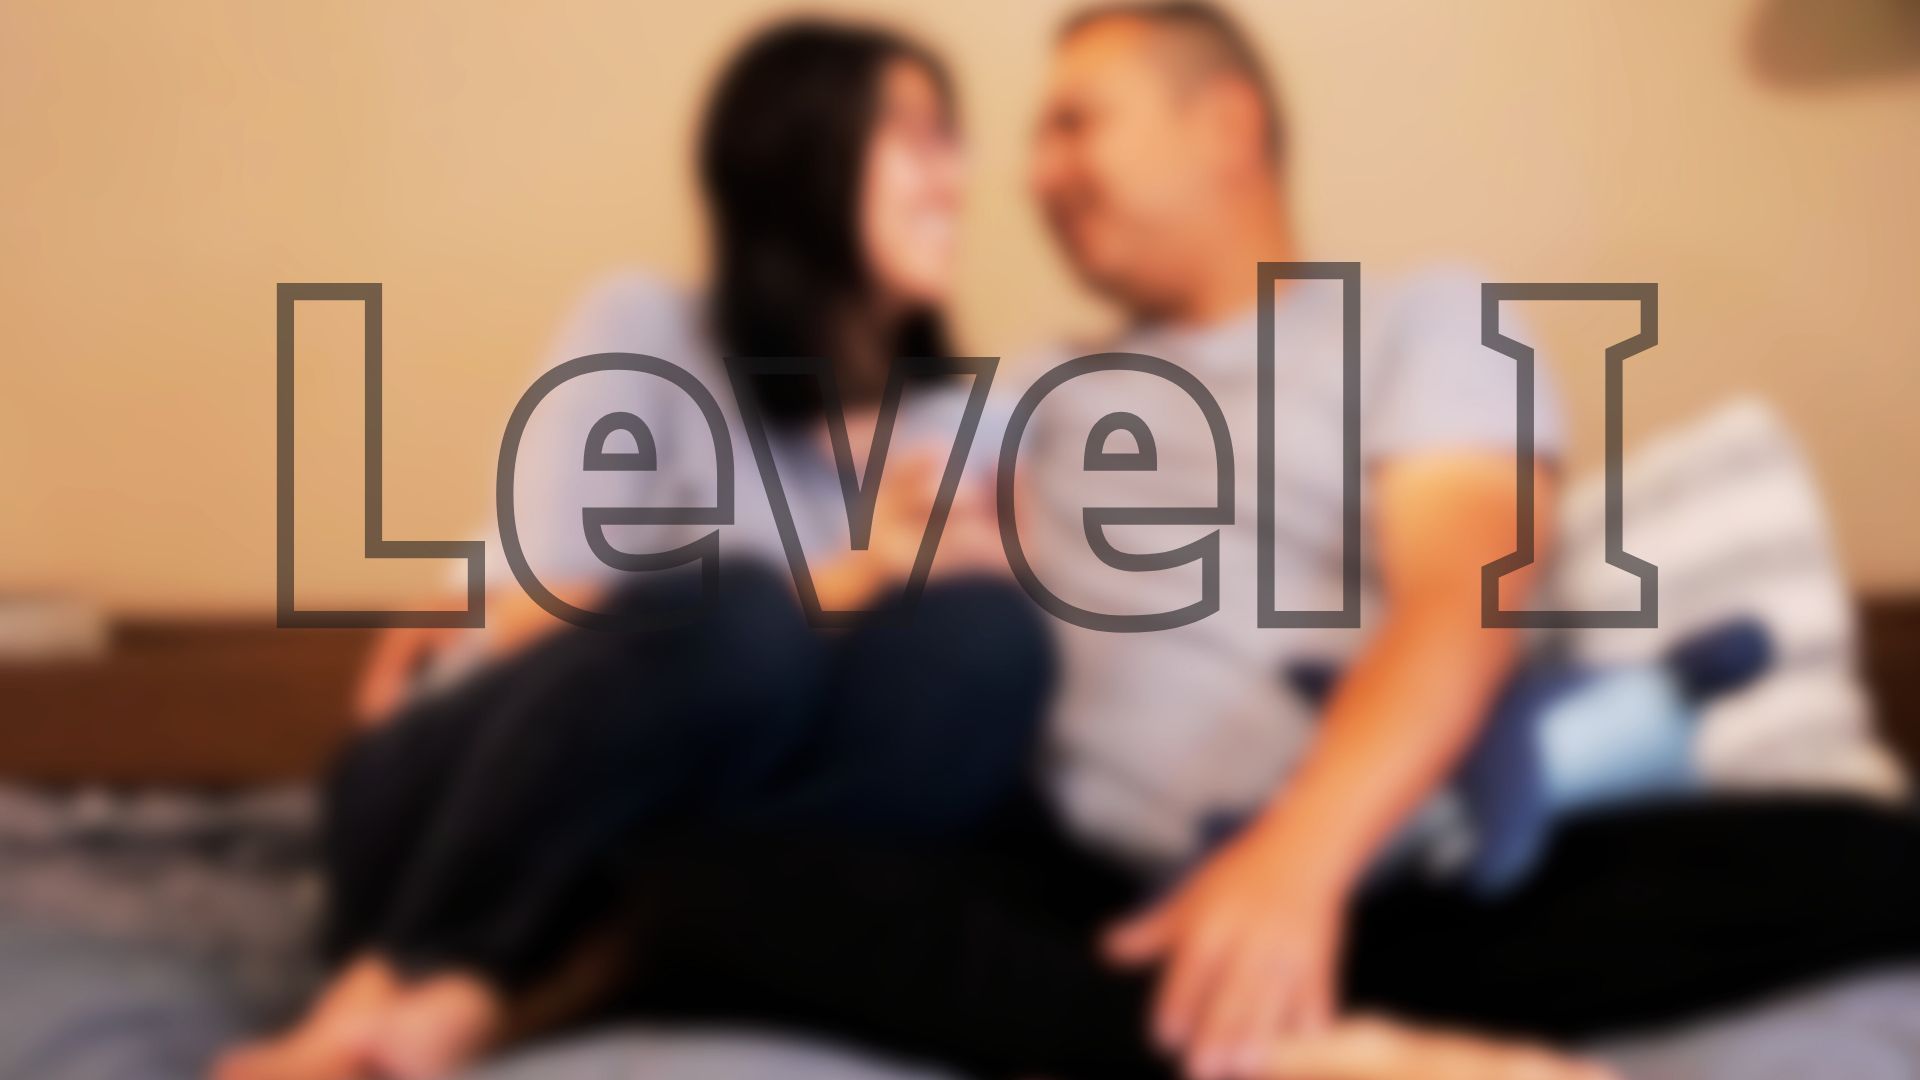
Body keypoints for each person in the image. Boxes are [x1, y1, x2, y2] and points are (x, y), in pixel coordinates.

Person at [216, 19, 1035, 1080]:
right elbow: (525, 623)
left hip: (705, 866)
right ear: (800, 157)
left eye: (954, 142)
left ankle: (596, 967)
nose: (956, 178)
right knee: (743, 624)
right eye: (916, 138)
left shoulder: (979, 432)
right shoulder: (648, 330)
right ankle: (412, 973)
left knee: (987, 644)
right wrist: (856, 576)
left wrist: (1018, 571)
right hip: (466, 807)